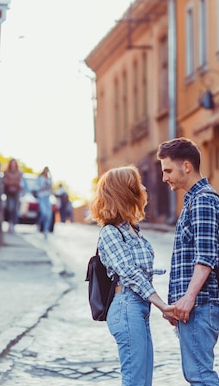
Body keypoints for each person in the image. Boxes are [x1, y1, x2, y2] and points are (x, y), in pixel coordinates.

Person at [88, 165, 175, 386]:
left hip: (138, 307)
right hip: (126, 307)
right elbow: (130, 274)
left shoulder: (131, 229)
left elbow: (141, 271)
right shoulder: (110, 233)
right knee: (135, 381)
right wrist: (162, 305)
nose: (143, 187)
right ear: (123, 192)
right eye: (137, 184)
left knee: (143, 381)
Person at [156, 137, 219, 386]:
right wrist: (177, 303)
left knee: (200, 375)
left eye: (168, 170)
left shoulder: (203, 201)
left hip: (201, 304)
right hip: (193, 306)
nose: (164, 177)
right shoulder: (193, 201)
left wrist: (188, 298)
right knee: (196, 373)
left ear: (186, 166)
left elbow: (205, 257)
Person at [2, 158, 22, 233]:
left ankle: (13, 224)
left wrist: (13, 183)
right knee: (9, 207)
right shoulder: (6, 172)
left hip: (16, 191)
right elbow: (6, 181)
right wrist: (12, 183)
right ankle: (10, 222)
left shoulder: (19, 173)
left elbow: (18, 182)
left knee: (15, 208)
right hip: (8, 191)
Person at [36, 166, 53, 238]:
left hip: (47, 197)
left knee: (49, 215)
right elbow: (37, 188)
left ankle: (46, 229)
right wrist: (41, 188)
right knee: (44, 213)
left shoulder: (50, 179)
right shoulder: (40, 178)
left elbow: (51, 188)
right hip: (41, 197)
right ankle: (39, 224)